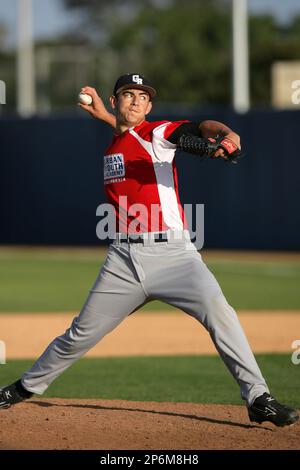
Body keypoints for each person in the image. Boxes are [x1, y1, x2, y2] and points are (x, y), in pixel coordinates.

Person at [1, 73, 298, 428]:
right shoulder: (119, 139)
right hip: (123, 261)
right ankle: (23, 388)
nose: (136, 100)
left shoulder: (157, 133)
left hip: (176, 257)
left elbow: (199, 128)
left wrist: (226, 135)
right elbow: (126, 132)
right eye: (128, 94)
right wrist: (104, 118)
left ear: (150, 106)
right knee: (79, 335)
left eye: (143, 96)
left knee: (221, 313)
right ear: (115, 101)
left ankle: (258, 398)